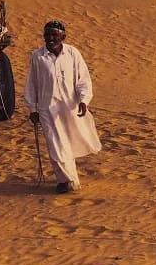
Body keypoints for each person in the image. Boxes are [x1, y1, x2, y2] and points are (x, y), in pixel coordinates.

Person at [24, 20, 102, 193]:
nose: (50, 38)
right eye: (47, 35)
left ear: (63, 36)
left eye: (54, 35)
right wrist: (33, 109)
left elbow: (83, 79)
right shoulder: (38, 56)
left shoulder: (73, 53)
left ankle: (67, 179)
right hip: (47, 109)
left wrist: (83, 100)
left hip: (70, 108)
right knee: (55, 146)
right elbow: (32, 84)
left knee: (69, 143)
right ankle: (66, 180)